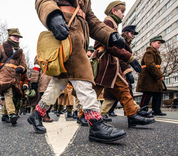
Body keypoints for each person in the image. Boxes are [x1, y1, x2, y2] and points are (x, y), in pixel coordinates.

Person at [29, 0, 129, 143]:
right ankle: (96, 124)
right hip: (65, 37)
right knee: (83, 77)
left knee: (58, 83)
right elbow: (44, 1)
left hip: (77, 40)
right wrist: (53, 16)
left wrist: (110, 35)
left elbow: (91, 20)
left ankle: (37, 114)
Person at [92, 1, 155, 128]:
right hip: (105, 62)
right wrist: (130, 58)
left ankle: (132, 116)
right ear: (114, 10)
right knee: (94, 91)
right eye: (122, 12)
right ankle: (83, 115)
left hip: (110, 63)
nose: (123, 15)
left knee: (124, 88)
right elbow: (109, 45)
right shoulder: (108, 22)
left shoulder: (112, 23)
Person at [136, 35, 167, 116]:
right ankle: (143, 110)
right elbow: (150, 64)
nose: (160, 45)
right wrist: (160, 75)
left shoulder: (155, 52)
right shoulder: (149, 52)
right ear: (152, 43)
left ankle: (156, 110)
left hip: (153, 76)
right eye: (158, 43)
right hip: (148, 76)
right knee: (147, 93)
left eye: (160, 43)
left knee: (158, 93)